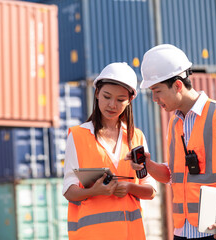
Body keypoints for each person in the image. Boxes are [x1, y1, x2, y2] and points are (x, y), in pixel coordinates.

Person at [126, 44, 216, 240]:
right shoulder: (175, 123)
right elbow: (174, 176)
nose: (154, 98)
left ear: (177, 85)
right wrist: (148, 165)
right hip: (182, 232)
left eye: (157, 91)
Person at [62, 62, 157, 240]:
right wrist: (95, 191)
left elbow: (151, 191)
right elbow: (68, 190)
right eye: (107, 96)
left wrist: (129, 187)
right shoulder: (78, 136)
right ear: (97, 93)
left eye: (120, 99)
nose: (112, 104)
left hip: (132, 235)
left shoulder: (137, 138)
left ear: (130, 100)